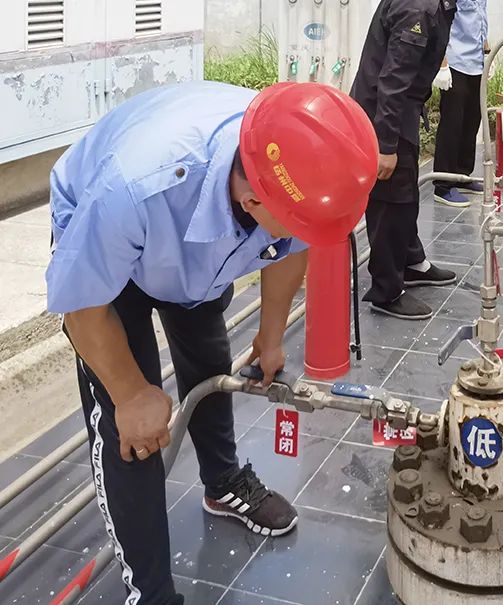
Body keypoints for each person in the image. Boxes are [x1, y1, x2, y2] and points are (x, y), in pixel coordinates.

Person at [46, 81, 379, 605]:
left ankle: (222, 483)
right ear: (252, 200)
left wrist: (271, 336)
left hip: (193, 240)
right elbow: (82, 308)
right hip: (111, 253)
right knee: (132, 430)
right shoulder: (132, 189)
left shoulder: (293, 163)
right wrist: (130, 394)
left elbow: (293, 244)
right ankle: (151, 595)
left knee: (207, 357)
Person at [351, 0, 503, 320]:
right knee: (392, 201)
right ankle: (387, 290)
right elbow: (392, 81)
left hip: (399, 106)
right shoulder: (420, 7)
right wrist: (385, 146)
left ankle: (412, 262)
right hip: (385, 112)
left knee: (406, 194)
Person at [431, 0, 503, 208]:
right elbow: (443, 19)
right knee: (452, 122)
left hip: (474, 59)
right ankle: (443, 183)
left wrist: (487, 51)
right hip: (454, 61)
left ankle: (462, 175)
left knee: (472, 119)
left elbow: (478, 18)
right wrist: (441, 64)